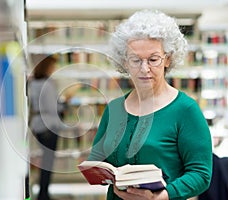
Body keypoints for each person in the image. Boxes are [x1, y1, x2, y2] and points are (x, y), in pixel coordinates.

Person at [87, 10, 212, 200]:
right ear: (125, 62)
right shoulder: (114, 109)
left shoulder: (186, 110)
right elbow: (97, 160)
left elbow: (201, 174)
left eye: (153, 59)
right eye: (136, 60)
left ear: (167, 59)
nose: (144, 69)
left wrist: (163, 196)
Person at [28, 55, 64, 200]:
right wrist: (63, 103)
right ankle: (44, 194)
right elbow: (52, 107)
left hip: (37, 125)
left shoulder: (32, 83)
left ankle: (42, 192)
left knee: (44, 161)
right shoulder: (47, 84)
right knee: (48, 163)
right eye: (52, 67)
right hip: (49, 125)